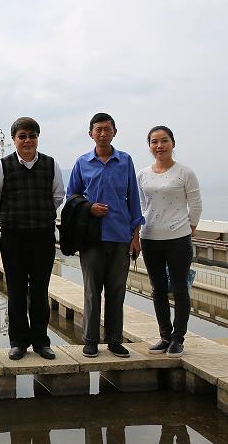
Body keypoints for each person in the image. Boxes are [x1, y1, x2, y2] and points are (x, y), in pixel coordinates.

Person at [67, 112, 145, 358]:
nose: (102, 133)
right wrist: (89, 207)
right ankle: (90, 341)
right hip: (92, 238)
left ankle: (114, 341)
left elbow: (134, 199)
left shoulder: (125, 161)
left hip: (120, 236)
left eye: (107, 129)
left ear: (114, 132)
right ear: (90, 133)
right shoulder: (82, 163)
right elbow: (71, 197)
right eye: (98, 129)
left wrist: (136, 236)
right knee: (92, 292)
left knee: (116, 291)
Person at [0, 117, 64, 361]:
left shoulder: (51, 164)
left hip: (43, 238)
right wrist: (12, 217)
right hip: (13, 238)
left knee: (41, 291)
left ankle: (41, 341)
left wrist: (40, 216)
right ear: (14, 139)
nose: (27, 140)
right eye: (22, 136)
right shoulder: (2, 166)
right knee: (16, 291)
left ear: (37, 138)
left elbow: (58, 196)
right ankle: (18, 342)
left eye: (32, 136)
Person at [137, 126, 202, 357]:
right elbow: (143, 204)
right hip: (150, 238)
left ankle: (178, 339)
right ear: (149, 146)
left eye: (164, 141)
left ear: (173, 143)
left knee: (180, 289)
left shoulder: (185, 172)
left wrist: (188, 228)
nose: (159, 146)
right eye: (154, 142)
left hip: (178, 239)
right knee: (158, 290)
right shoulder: (143, 174)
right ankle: (165, 336)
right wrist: (142, 229)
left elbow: (195, 204)